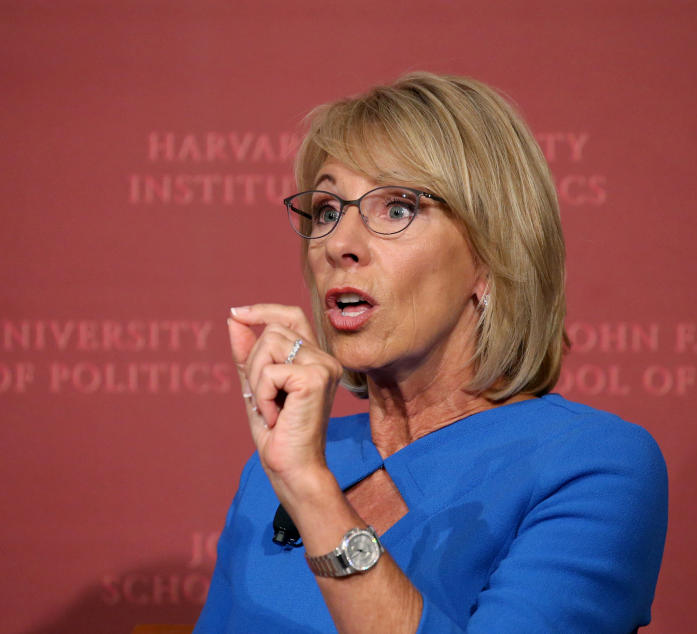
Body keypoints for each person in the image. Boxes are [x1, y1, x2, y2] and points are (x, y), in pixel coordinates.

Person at [195, 72, 667, 633]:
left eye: (396, 209)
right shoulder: (281, 463)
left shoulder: (591, 464)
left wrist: (311, 493)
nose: (340, 244)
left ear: (491, 258)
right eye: (326, 210)